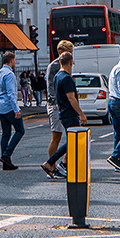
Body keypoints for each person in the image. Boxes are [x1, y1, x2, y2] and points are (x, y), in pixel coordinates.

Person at [41, 51, 82, 179]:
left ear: (60, 62)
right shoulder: (67, 78)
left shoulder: (57, 76)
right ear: (71, 62)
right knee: (73, 140)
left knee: (72, 141)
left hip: (62, 112)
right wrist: (81, 114)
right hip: (70, 114)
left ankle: (63, 165)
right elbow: (71, 98)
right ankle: (51, 163)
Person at [44, 40, 75, 172]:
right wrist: (56, 102)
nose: (71, 55)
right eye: (69, 52)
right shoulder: (54, 66)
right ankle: (52, 165)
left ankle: (64, 163)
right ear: (61, 52)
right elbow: (51, 86)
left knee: (72, 135)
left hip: (64, 105)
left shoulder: (66, 64)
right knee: (56, 137)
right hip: (56, 105)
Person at [0, 51, 24, 169]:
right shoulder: (10, 74)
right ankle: (7, 155)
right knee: (20, 130)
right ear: (11, 61)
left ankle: (6, 162)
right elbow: (12, 94)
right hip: (9, 107)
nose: (14, 63)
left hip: (0, 106)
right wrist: (16, 109)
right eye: (14, 60)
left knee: (6, 133)